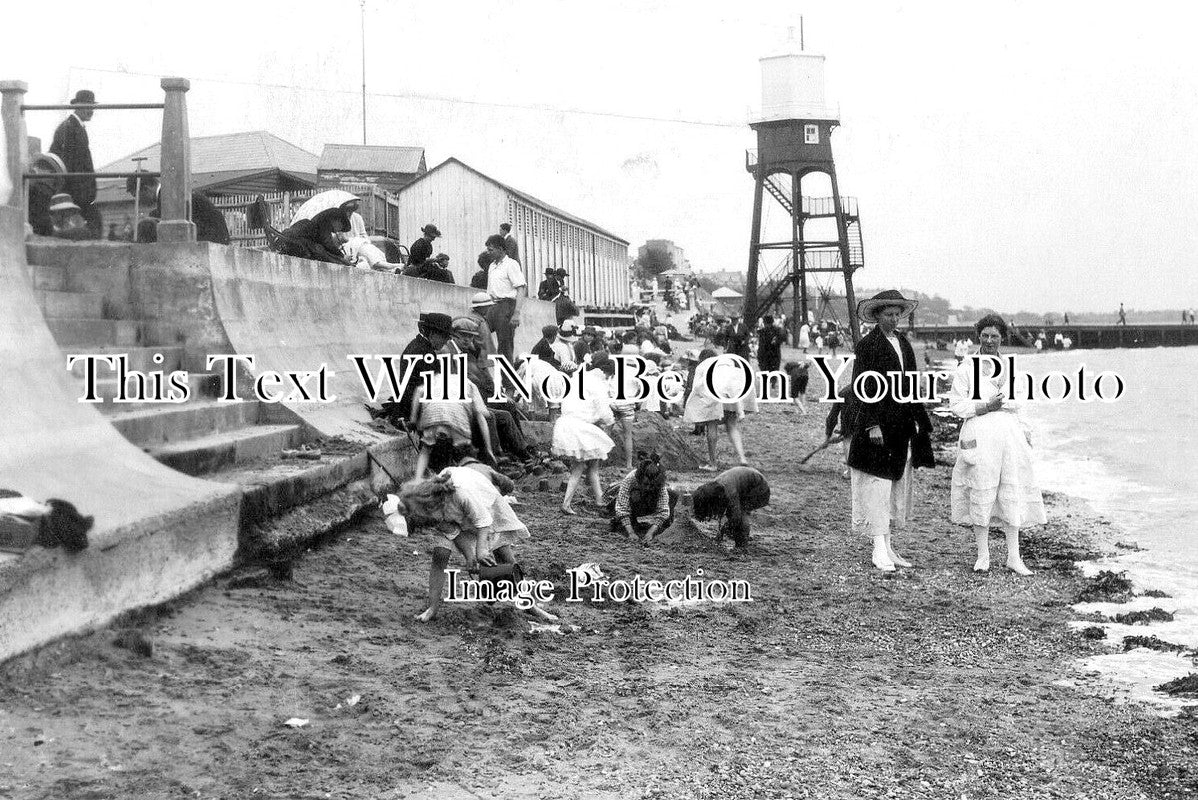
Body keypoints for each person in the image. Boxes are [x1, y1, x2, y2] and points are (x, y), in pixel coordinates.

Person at [948, 314, 1046, 575]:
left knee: (1010, 491)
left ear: (1003, 338)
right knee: (981, 489)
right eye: (985, 335)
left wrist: (1026, 432)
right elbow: (956, 405)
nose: (989, 340)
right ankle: (983, 555)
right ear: (978, 336)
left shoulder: (1011, 368)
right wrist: (984, 406)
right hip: (980, 431)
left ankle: (1014, 557)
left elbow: (1020, 404)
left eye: (995, 336)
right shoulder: (967, 367)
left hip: (1008, 434)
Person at [397, 468, 557, 623]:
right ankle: (432, 608)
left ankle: (531, 606)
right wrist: (470, 557)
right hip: (457, 515)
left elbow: (483, 520)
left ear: (425, 500)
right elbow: (454, 533)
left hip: (483, 503)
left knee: (504, 555)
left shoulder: (459, 494)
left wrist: (481, 550)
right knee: (440, 554)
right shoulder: (430, 512)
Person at [846, 290, 934, 573]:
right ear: (877, 316)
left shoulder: (904, 343)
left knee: (894, 484)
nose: (893, 319)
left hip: (901, 423)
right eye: (888, 314)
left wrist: (918, 416)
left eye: (897, 314)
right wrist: (872, 424)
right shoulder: (868, 345)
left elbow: (910, 383)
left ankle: (889, 544)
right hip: (877, 425)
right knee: (877, 486)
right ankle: (877, 548)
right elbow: (861, 386)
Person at [553, 352, 616, 515]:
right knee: (580, 466)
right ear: (606, 372)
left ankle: (600, 499)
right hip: (578, 427)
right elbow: (603, 410)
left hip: (569, 422)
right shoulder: (597, 383)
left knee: (592, 465)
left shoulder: (578, 378)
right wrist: (610, 422)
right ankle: (566, 504)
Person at [683, 349, 757, 470]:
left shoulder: (703, 366)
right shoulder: (726, 365)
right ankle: (742, 458)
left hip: (714, 397)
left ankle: (713, 463)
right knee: (732, 426)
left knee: (711, 426)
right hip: (731, 397)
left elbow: (696, 387)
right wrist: (740, 409)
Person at [379, 312, 454, 427]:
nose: (446, 341)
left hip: (409, 402)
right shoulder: (424, 353)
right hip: (414, 407)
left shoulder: (417, 345)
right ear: (433, 333)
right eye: (445, 337)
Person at [124, 174, 231, 245]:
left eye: (136, 196)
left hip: (212, 240)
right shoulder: (169, 194)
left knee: (147, 226)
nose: (138, 201)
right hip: (214, 238)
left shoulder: (170, 197)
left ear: (147, 189)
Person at [49, 89, 99, 238]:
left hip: (79, 192)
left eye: (92, 106)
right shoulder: (69, 129)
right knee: (89, 226)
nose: (91, 110)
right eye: (87, 106)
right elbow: (69, 164)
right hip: (75, 192)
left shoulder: (76, 127)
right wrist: (81, 193)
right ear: (77, 106)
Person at [603, 453, 679, 545]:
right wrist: (631, 533)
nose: (648, 488)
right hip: (634, 502)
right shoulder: (630, 479)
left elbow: (663, 510)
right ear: (639, 479)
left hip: (648, 503)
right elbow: (622, 508)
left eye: (651, 485)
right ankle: (629, 522)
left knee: (672, 494)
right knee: (635, 495)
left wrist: (650, 532)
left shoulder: (659, 482)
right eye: (645, 484)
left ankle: (665, 526)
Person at [691, 466, 770, 550]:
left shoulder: (729, 492)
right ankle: (735, 536)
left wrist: (724, 530)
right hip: (747, 482)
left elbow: (736, 516)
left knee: (741, 516)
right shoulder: (716, 487)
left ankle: (742, 545)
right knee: (732, 513)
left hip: (760, 490)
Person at [485, 234, 526, 363]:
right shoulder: (492, 266)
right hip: (491, 306)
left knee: (504, 345)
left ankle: (508, 382)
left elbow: (521, 288)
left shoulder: (511, 264)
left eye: (491, 250)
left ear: (501, 249)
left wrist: (516, 313)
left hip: (506, 306)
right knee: (478, 334)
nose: (488, 253)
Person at [466, 293, 498, 362]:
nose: (489, 308)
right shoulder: (474, 320)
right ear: (481, 307)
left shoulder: (481, 319)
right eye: (488, 306)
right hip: (480, 361)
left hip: (486, 359)